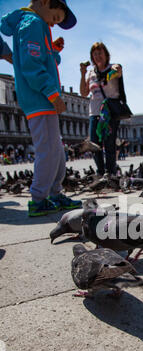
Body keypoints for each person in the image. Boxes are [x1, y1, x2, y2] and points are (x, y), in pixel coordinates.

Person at [1, 0, 81, 217]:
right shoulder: (32, 23)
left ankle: (54, 193)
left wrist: (53, 50)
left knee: (56, 150)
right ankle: (38, 199)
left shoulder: (37, 25)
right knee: (47, 150)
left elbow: (42, 60)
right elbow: (31, 66)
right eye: (55, 18)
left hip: (41, 99)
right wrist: (53, 95)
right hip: (39, 99)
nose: (54, 25)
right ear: (45, 2)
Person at [80, 42, 123, 175]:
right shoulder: (91, 73)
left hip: (109, 112)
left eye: (100, 53)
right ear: (92, 57)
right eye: (95, 54)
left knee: (109, 144)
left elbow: (118, 71)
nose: (98, 56)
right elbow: (83, 93)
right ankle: (100, 172)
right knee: (94, 145)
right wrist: (83, 74)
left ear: (106, 55)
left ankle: (110, 173)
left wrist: (115, 69)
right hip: (94, 112)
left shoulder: (113, 68)